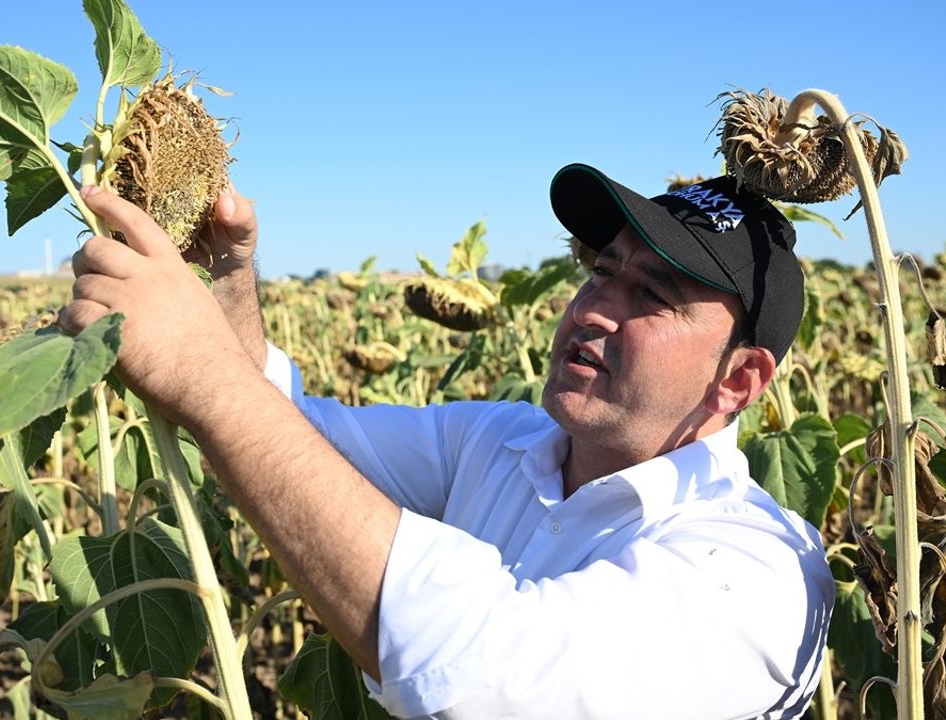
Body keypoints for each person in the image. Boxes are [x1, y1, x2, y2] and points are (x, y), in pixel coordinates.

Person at [59, 163, 836, 719]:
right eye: (602, 271)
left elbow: (485, 680)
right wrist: (228, 278)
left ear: (739, 381)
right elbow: (299, 430)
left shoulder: (760, 573)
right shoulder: (503, 441)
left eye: (652, 297)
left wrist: (202, 375)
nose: (597, 307)